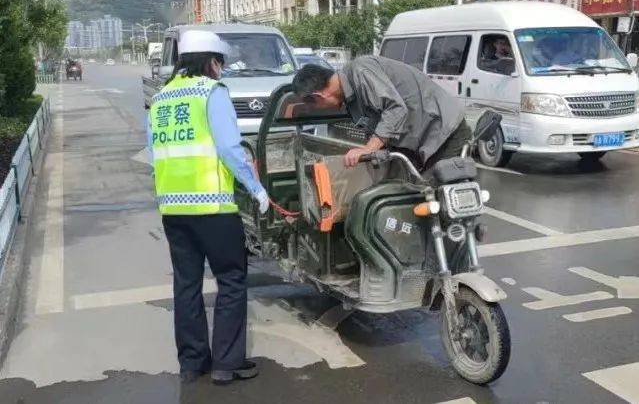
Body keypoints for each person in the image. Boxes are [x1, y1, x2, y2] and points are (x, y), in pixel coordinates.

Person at [147, 30, 270, 385]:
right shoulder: (211, 93)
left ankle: (192, 363)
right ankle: (226, 364)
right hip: (214, 207)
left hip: (173, 209)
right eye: (221, 63)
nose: (221, 70)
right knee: (231, 280)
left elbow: (154, 154)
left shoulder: (161, 98)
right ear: (212, 62)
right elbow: (231, 150)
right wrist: (257, 189)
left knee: (186, 285)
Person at [292, 56, 468, 172]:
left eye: (315, 105)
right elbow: (378, 130)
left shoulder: (360, 72)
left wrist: (368, 149)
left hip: (444, 131)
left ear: (318, 96)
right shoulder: (352, 98)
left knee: (430, 199)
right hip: (421, 141)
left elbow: (396, 109)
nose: (322, 109)